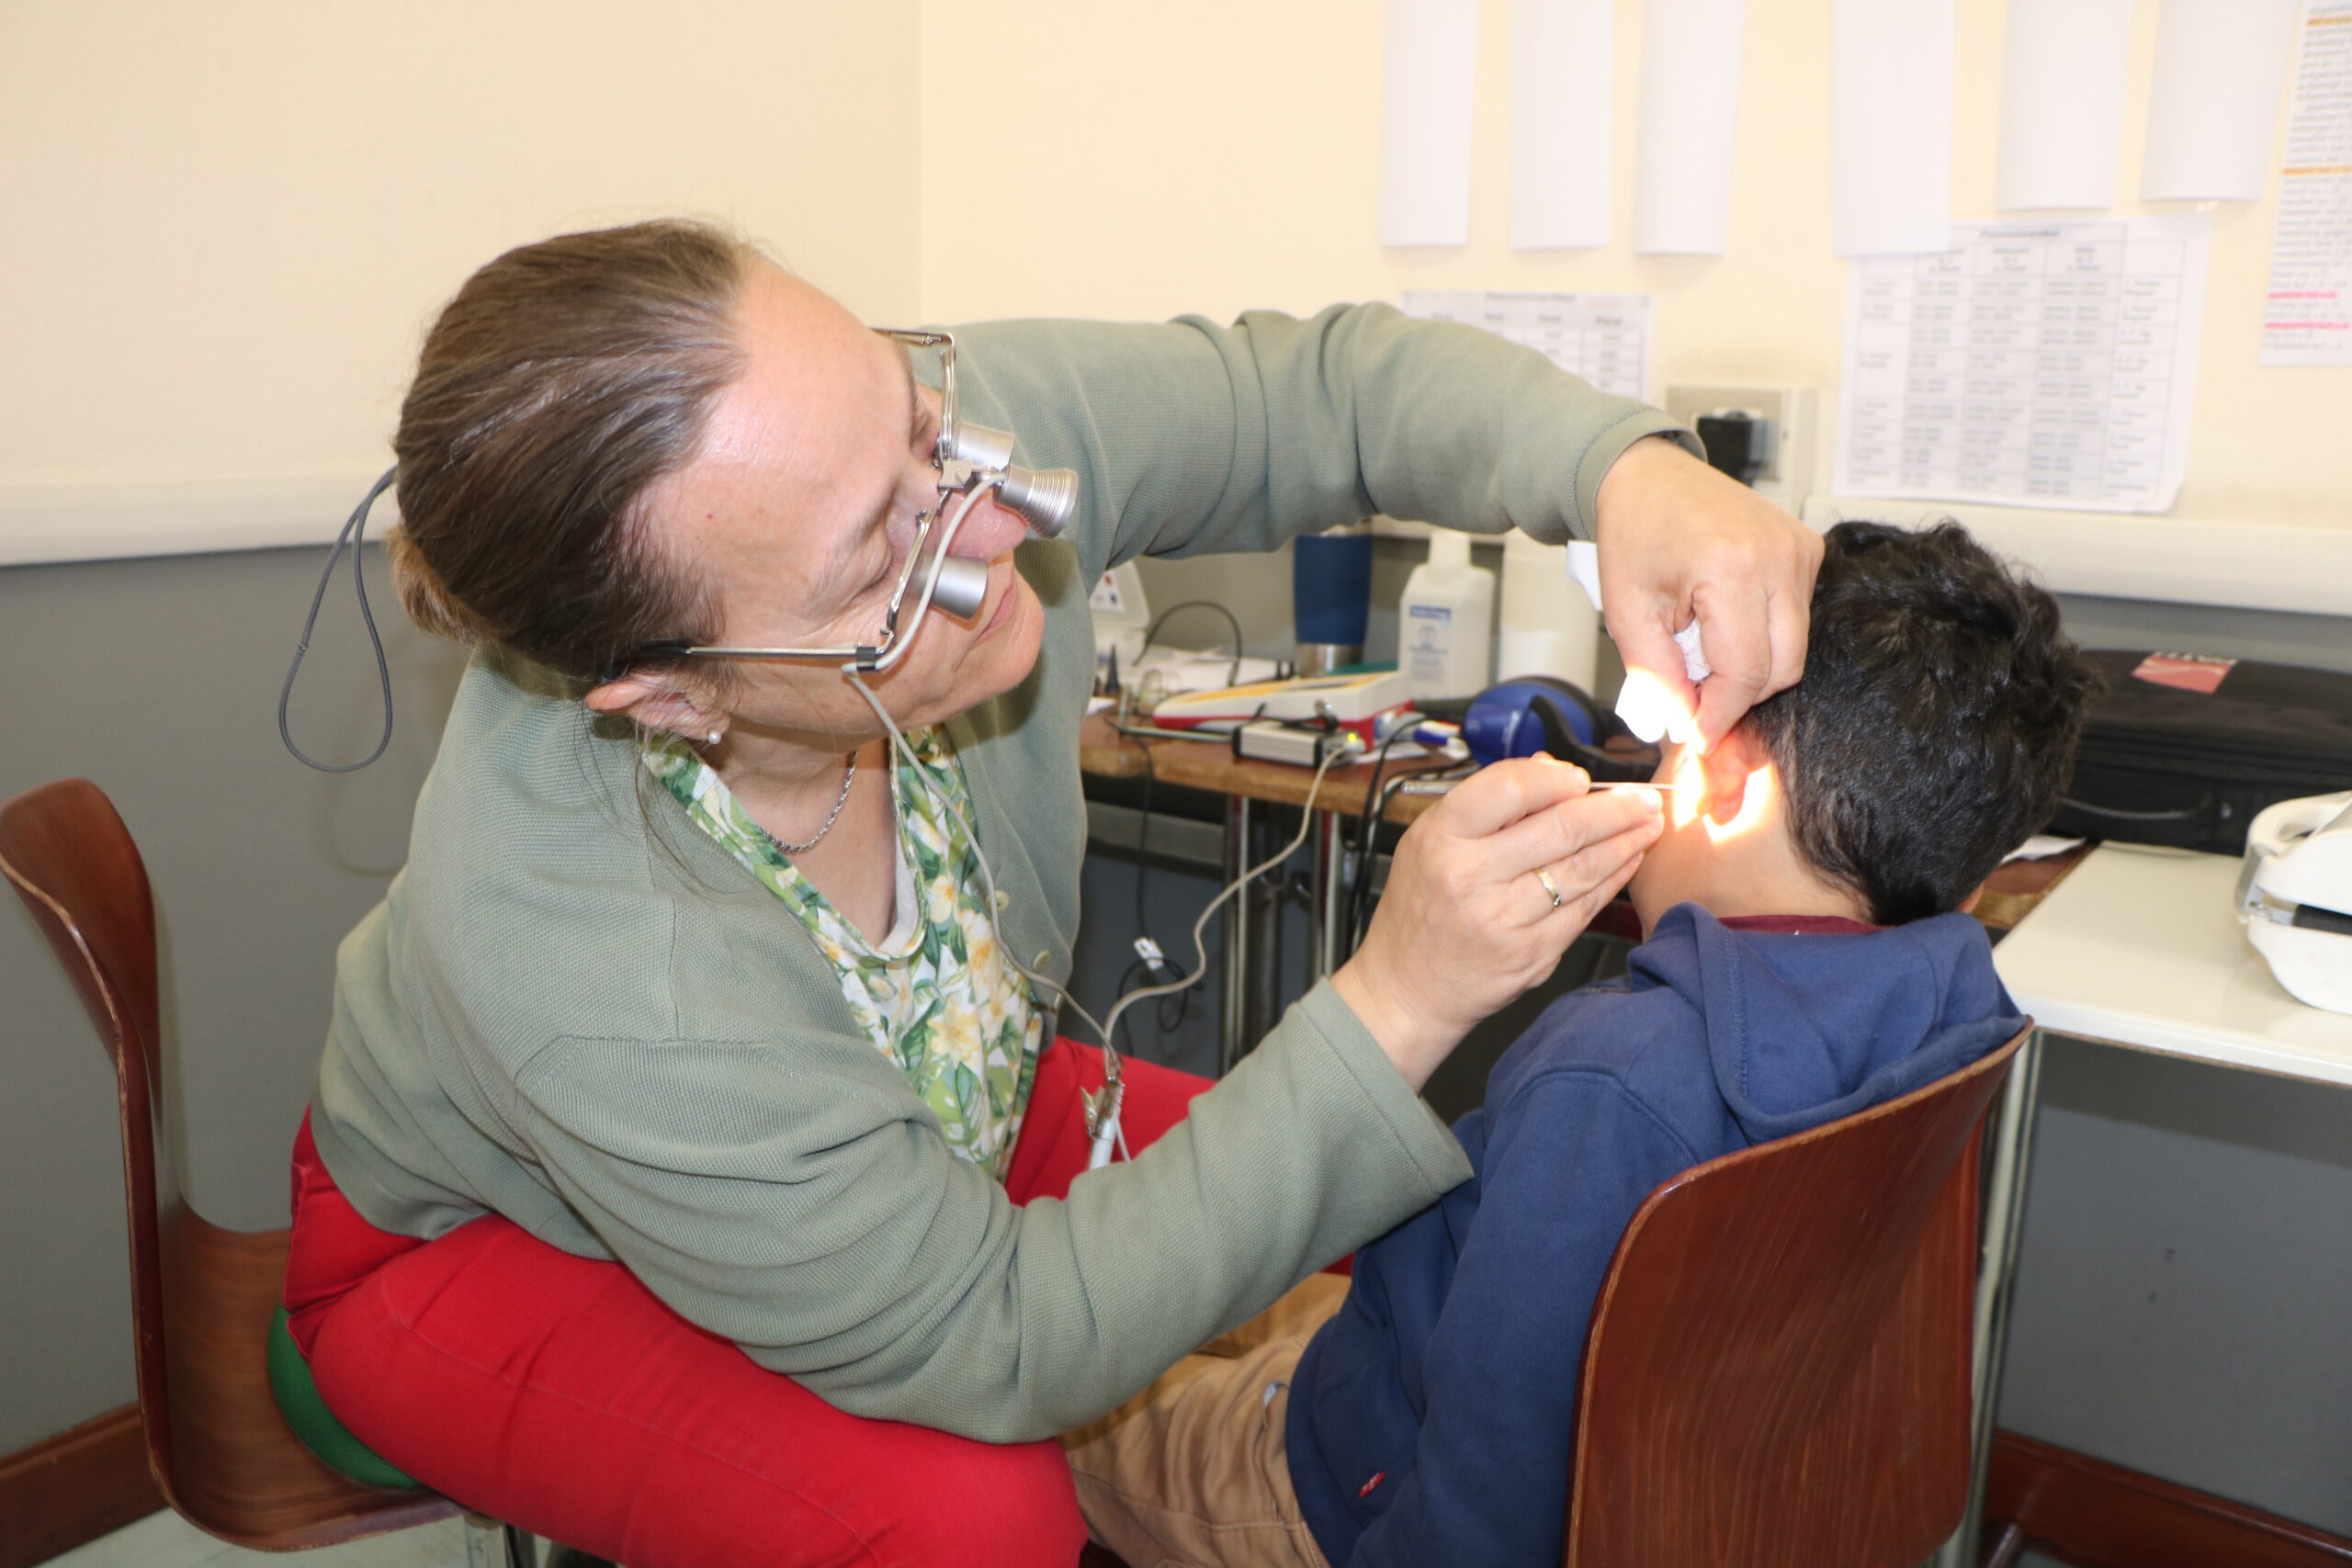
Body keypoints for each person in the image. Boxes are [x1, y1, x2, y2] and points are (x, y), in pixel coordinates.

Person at [270, 219, 1823, 1567]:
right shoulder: (589, 960)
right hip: (477, 1244)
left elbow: (1323, 393)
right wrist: (1399, 996)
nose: (998, 524)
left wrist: (1627, 470)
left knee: (1412, 1215)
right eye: (880, 562)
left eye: (921, 426)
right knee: (969, 1516)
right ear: (670, 699)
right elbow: (1000, 1338)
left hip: (931, 1097)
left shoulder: (888, 464)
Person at [1062, 519, 2099, 1568]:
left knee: (1057, 1402)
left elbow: (1487, 1503)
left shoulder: (1607, 1081)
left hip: (1339, 1486)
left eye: (1666, 743)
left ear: (1723, 781)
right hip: (1680, 1473)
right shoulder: (1958, 1019)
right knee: (1256, 1298)